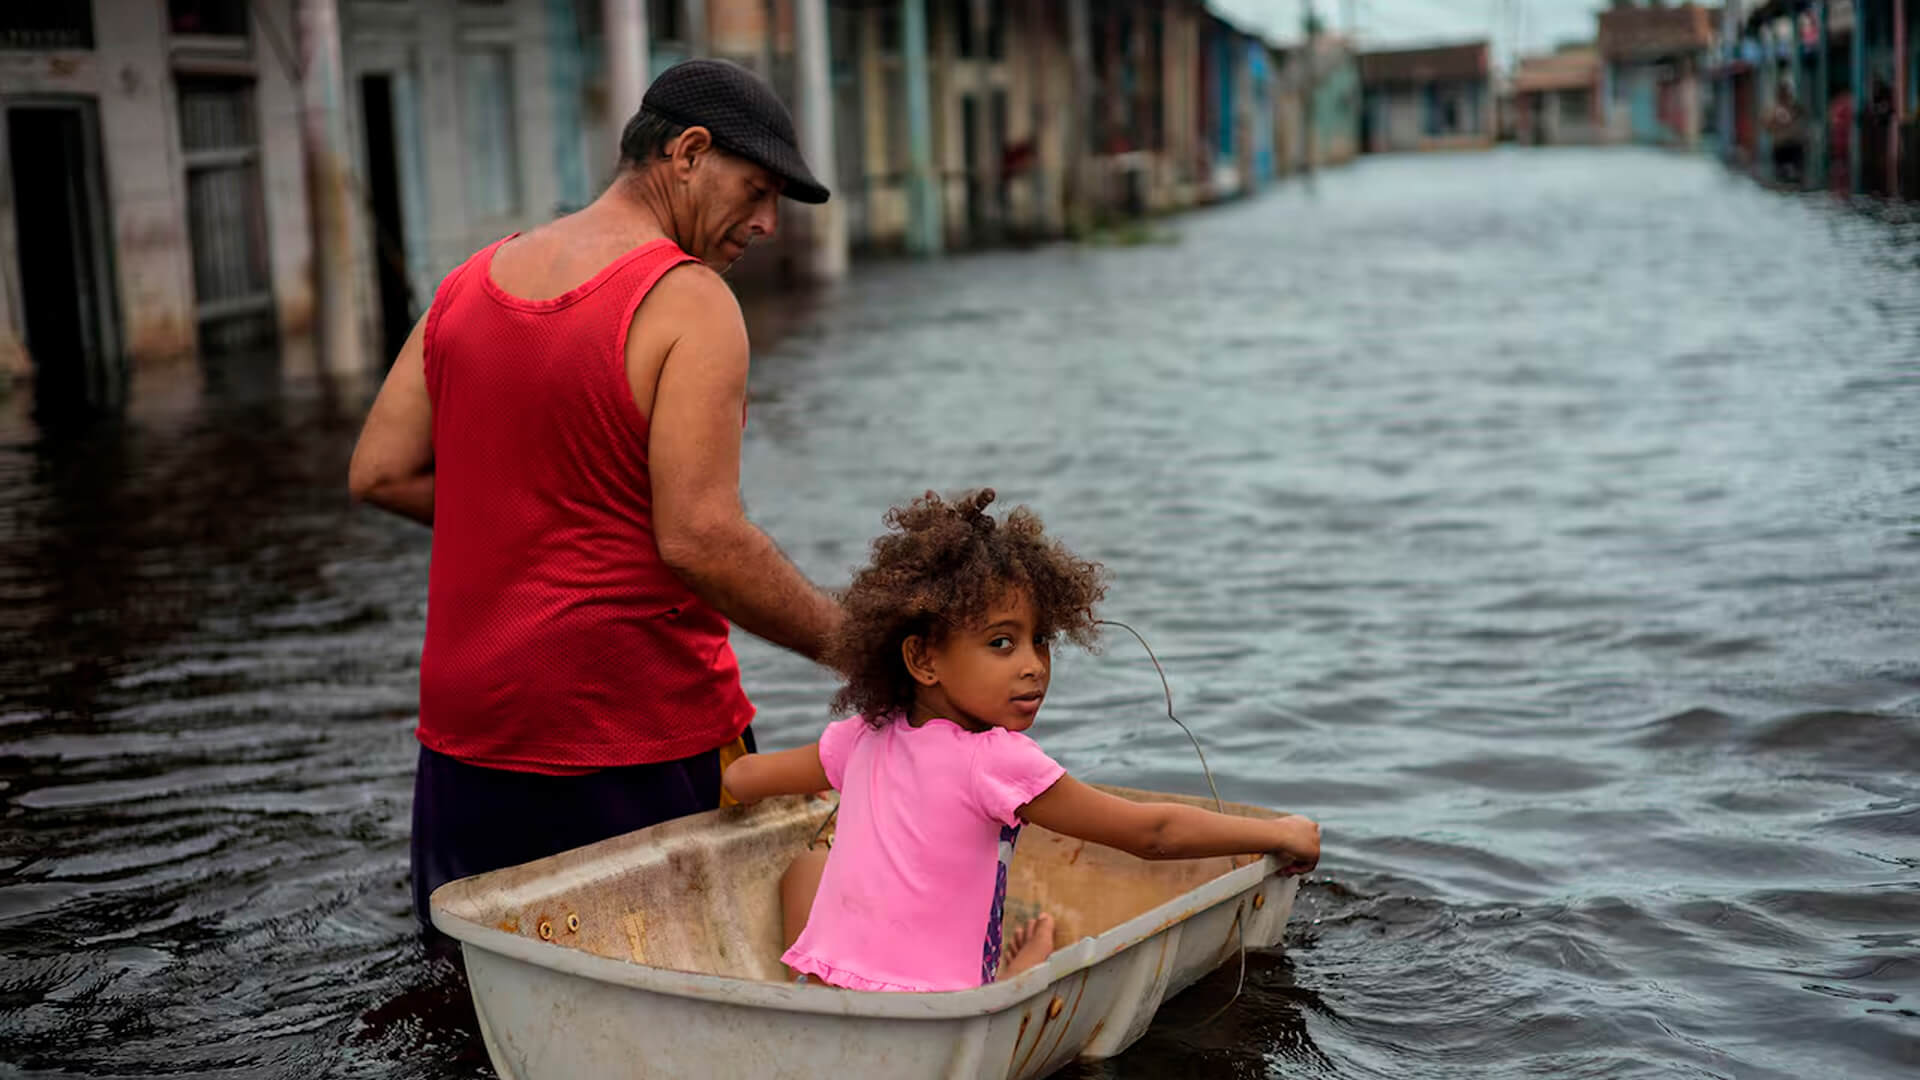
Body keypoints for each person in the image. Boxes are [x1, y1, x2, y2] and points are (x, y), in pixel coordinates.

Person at [346, 59, 843, 933]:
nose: (767, 222)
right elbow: (700, 538)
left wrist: (534, 507)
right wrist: (861, 650)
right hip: (631, 736)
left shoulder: (467, 283)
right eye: (757, 189)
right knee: (679, 996)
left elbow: (378, 471)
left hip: (468, 743)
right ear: (688, 153)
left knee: (478, 1004)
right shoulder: (690, 301)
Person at [721, 490, 1322, 991]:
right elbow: (1151, 834)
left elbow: (742, 780)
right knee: (1015, 952)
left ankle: (808, 987)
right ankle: (1023, 972)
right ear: (922, 658)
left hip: (827, 1001)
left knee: (806, 862)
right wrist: (1278, 834)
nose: (1034, 665)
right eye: (1002, 643)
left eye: (1042, 641)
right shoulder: (998, 762)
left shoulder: (863, 735)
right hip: (935, 1016)